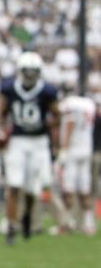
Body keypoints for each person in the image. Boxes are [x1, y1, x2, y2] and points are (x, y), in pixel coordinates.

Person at [0, 52, 59, 245]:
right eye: (27, 71)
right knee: (14, 185)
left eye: (33, 72)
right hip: (18, 140)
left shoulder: (47, 91)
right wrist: (2, 131)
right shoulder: (9, 89)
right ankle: (11, 228)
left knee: (33, 189)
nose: (30, 75)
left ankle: (26, 218)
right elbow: (1, 112)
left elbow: (57, 115)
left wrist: (49, 128)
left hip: (39, 141)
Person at [56, 81, 94, 235]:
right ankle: (89, 224)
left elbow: (70, 123)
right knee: (84, 189)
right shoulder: (89, 104)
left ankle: (67, 224)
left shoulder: (69, 104)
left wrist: (64, 149)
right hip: (87, 148)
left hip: (73, 150)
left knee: (68, 189)